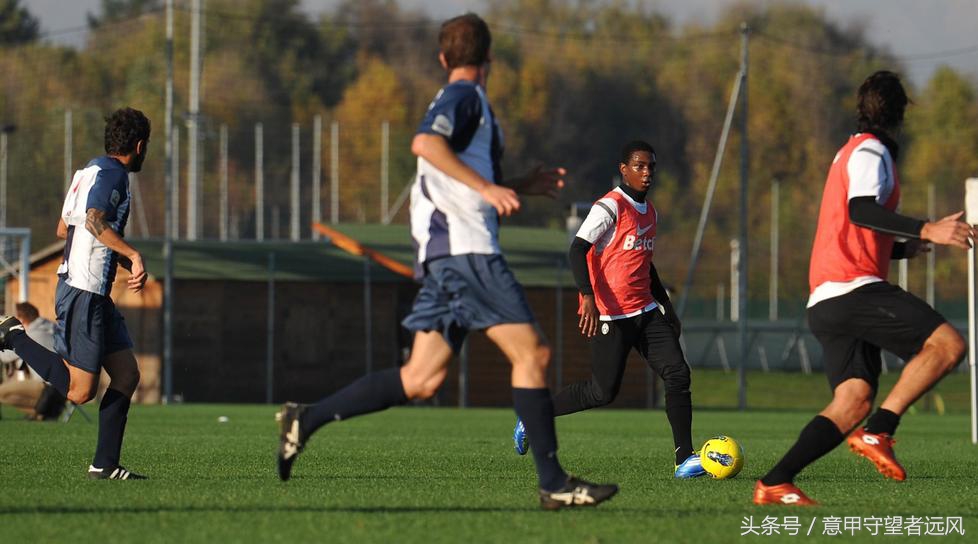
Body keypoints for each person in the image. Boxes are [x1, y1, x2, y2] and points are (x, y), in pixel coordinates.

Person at [276, 13, 618, 510]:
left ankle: (303, 421)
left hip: (445, 256)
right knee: (533, 355)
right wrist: (488, 187)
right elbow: (425, 143)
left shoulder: (470, 106)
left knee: (420, 378)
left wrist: (521, 183)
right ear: (490, 59)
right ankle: (553, 483)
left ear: (443, 58)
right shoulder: (464, 97)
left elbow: (463, 172)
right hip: (466, 251)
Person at [753, 71, 974, 505]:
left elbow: (855, 229)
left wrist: (906, 249)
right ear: (903, 111)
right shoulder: (872, 152)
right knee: (948, 346)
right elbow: (861, 211)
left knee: (853, 399)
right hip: (852, 289)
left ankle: (775, 481)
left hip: (828, 297)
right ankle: (880, 430)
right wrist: (927, 228)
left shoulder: (850, 152)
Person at [512, 141, 705, 478]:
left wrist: (666, 306)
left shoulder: (651, 212)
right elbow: (577, 250)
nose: (646, 173)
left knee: (678, 373)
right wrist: (587, 295)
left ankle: (684, 459)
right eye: (639, 166)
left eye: (651, 167)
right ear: (624, 169)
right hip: (611, 315)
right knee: (601, 392)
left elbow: (646, 264)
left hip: (646, 312)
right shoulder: (610, 206)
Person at [0, 107, 150, 480]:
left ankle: (104, 465)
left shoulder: (88, 172)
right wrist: (130, 252)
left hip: (92, 289)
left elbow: (63, 227)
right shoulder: (114, 175)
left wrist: (115, 253)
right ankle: (14, 335)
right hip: (84, 289)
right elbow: (95, 219)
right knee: (80, 392)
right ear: (139, 145)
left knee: (127, 375)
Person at [0, 302, 62, 420]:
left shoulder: (31, 334)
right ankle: (41, 412)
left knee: (1, 392)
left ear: (21, 318)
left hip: (47, 387)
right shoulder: (50, 327)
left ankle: (44, 411)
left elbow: (6, 357)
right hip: (61, 385)